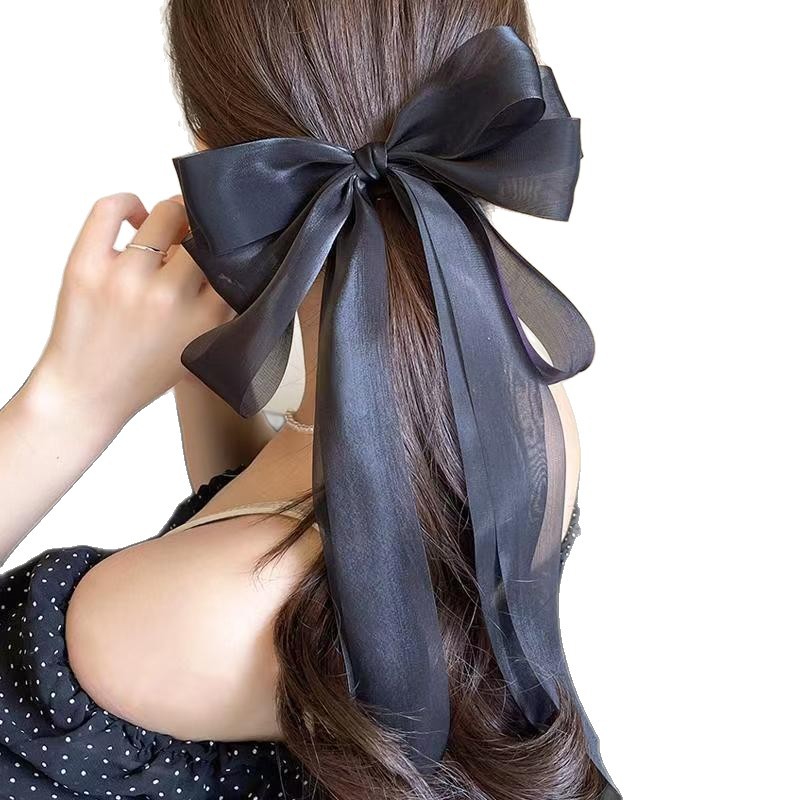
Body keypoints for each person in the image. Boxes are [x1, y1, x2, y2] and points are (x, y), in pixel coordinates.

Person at [0, 2, 619, 799]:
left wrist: (71, 400)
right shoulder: (530, 419)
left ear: (218, 168)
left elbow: (243, 583)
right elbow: (311, 532)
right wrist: (210, 374)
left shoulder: (130, 630)